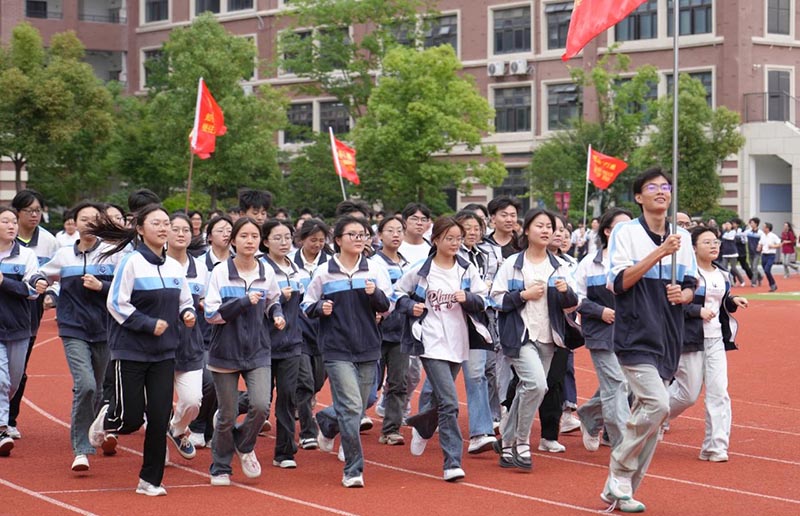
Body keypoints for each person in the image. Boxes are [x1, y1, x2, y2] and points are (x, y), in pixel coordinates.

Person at [600, 168, 697, 512]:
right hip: (635, 333)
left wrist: (684, 294)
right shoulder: (625, 232)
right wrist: (660, 252)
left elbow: (692, 284)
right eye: (652, 187)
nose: (661, 191)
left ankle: (621, 491)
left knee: (652, 420)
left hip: (669, 335)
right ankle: (619, 470)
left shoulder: (682, 237)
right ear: (639, 197)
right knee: (657, 404)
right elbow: (619, 282)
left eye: (666, 186)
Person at [88, 204, 197, 496]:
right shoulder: (131, 262)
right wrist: (148, 324)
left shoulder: (174, 267)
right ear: (140, 229)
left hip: (165, 353)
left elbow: (185, 300)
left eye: (166, 223)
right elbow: (116, 303)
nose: (163, 228)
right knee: (130, 420)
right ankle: (106, 418)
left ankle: (150, 480)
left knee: (159, 419)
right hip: (131, 351)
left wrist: (187, 314)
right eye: (156, 223)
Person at [397, 216, 491, 482]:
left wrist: (468, 298)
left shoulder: (466, 269)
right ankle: (452, 462)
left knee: (441, 399)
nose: (455, 243)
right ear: (436, 240)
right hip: (431, 341)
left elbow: (484, 299)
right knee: (450, 402)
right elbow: (397, 294)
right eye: (449, 238)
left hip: (459, 342)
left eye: (458, 239)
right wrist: (411, 307)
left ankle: (423, 425)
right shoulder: (421, 270)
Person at [302, 215, 392, 488]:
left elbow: (388, 306)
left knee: (362, 402)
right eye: (352, 234)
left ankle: (328, 421)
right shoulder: (324, 272)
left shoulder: (374, 269)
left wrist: (375, 295)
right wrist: (320, 308)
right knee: (352, 406)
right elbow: (306, 305)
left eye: (362, 234)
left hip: (368, 346)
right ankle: (353, 468)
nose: (358, 239)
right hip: (336, 348)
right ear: (338, 240)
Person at [490, 208, 579, 472]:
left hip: (549, 337)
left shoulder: (560, 266)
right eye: (540, 225)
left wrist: (566, 292)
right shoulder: (513, 264)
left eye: (549, 227)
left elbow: (573, 305)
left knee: (527, 389)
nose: (546, 230)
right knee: (537, 385)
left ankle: (506, 442)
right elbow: (495, 299)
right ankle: (521, 441)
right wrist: (523, 295)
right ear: (527, 230)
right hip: (520, 336)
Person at [38, 202, 118, 471]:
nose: (89, 223)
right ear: (75, 223)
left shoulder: (112, 255)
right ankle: (81, 448)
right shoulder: (64, 255)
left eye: (95, 219)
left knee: (97, 388)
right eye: (84, 219)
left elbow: (124, 289)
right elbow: (41, 274)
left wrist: (101, 286)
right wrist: (39, 283)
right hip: (73, 328)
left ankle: (94, 430)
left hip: (104, 329)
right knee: (86, 385)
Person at [204, 217, 285, 486]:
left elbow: (273, 300)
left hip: (258, 350)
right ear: (233, 241)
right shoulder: (220, 272)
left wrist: (277, 314)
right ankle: (220, 466)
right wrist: (242, 302)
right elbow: (211, 314)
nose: (249, 241)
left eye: (254, 236)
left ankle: (244, 443)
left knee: (261, 405)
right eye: (244, 236)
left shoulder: (266, 272)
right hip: (225, 351)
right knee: (227, 414)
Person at [665, 226, 747, 463]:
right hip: (690, 339)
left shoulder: (722, 274)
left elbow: (721, 302)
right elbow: (672, 306)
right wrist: (696, 311)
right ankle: (653, 415)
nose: (714, 246)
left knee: (718, 392)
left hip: (716, 339)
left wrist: (733, 301)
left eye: (716, 242)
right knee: (688, 394)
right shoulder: (685, 275)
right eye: (707, 242)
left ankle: (715, 446)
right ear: (693, 248)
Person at [575, 208, 634, 452]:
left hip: (632, 332)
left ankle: (590, 415)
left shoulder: (638, 262)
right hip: (600, 332)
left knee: (628, 383)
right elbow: (575, 297)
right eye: (621, 226)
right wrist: (599, 311)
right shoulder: (590, 263)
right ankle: (624, 443)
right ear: (608, 231)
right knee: (617, 383)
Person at [8, 189, 58, 441]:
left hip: (30, 311)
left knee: (19, 366)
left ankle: (10, 418)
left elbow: (58, 274)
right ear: (17, 212)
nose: (34, 215)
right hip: (4, 307)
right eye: (29, 211)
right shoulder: (6, 237)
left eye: (38, 210)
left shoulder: (49, 241)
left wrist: (51, 294)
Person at [260, 219, 308, 469]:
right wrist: (279, 297)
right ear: (266, 241)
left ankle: (285, 451)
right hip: (264, 344)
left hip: (291, 343)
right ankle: (230, 417)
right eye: (277, 238)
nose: (283, 242)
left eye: (287, 237)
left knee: (288, 396)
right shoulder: (260, 268)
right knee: (261, 400)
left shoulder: (296, 269)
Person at [0, 206, 47, 457]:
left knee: (13, 382)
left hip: (18, 327)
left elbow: (32, 292)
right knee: (1, 380)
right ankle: (1, 428)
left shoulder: (26, 256)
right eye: (5, 221)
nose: (11, 226)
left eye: (13, 222)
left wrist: (4, 282)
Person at [454, 210, 500, 454]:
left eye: (476, 228)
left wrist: (484, 292)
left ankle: (480, 432)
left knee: (477, 375)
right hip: (448, 323)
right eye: (467, 228)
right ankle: (426, 421)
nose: (472, 232)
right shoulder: (447, 255)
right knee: (440, 380)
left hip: (478, 322)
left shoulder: (487, 254)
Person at [165, 213, 207, 462]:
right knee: (157, 403)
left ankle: (177, 428)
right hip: (157, 343)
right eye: (175, 229)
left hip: (190, 343)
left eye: (186, 230)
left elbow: (210, 300)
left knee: (193, 401)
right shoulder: (154, 263)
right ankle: (157, 450)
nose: (181, 234)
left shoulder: (201, 268)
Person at [291, 218, 331, 450]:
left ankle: (303, 401)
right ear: (302, 239)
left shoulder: (331, 264)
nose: (317, 244)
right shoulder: (291, 264)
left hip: (324, 331)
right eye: (313, 240)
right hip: (298, 331)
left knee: (316, 380)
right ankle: (308, 431)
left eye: (321, 240)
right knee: (304, 381)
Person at [371, 216, 410, 446]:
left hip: (400, 331)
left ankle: (391, 429)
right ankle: (339, 420)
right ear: (380, 235)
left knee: (399, 382)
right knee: (370, 385)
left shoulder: (407, 264)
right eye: (390, 230)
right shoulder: (373, 263)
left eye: (399, 231)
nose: (395, 235)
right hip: (375, 331)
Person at [720, 222, 745, 286]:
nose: (727, 226)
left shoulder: (733, 232)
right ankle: (729, 282)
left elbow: (729, 237)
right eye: (726, 224)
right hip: (725, 253)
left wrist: (723, 231)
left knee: (733, 268)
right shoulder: (724, 232)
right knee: (724, 268)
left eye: (728, 224)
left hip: (733, 253)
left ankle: (741, 280)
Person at [758, 222, 781, 292]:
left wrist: (773, 246)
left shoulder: (773, 236)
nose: (763, 228)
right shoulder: (762, 235)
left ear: (768, 228)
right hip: (764, 255)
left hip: (771, 255)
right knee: (766, 271)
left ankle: (773, 284)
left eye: (764, 227)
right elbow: (760, 243)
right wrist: (759, 247)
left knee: (767, 270)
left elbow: (779, 244)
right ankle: (773, 285)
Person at [746, 218, 764, 287]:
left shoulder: (760, 233)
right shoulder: (748, 231)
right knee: (752, 268)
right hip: (750, 252)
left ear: (756, 224)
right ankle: (760, 277)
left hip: (757, 252)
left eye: (752, 223)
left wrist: (760, 247)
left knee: (754, 267)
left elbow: (762, 242)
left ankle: (753, 282)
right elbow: (741, 233)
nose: (751, 224)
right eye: (750, 223)